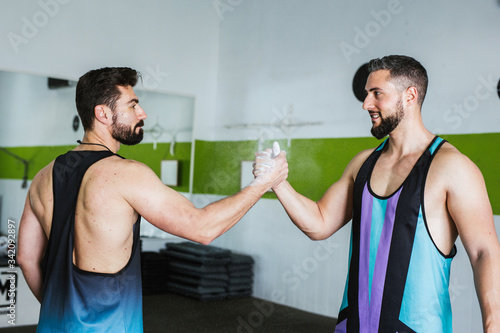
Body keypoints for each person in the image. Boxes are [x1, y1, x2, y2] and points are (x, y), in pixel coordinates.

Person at [17, 67, 288, 332]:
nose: (142, 113)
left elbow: (25, 257)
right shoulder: (127, 173)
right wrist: (262, 183)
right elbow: (202, 229)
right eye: (132, 105)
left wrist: (61, 313)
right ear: (102, 113)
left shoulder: (43, 176)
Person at [255, 55, 500, 332]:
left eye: (377, 94)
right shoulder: (362, 163)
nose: (366, 104)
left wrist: (493, 326)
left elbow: (484, 252)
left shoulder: (451, 167)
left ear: (410, 96)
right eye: (366, 94)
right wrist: (277, 182)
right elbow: (319, 223)